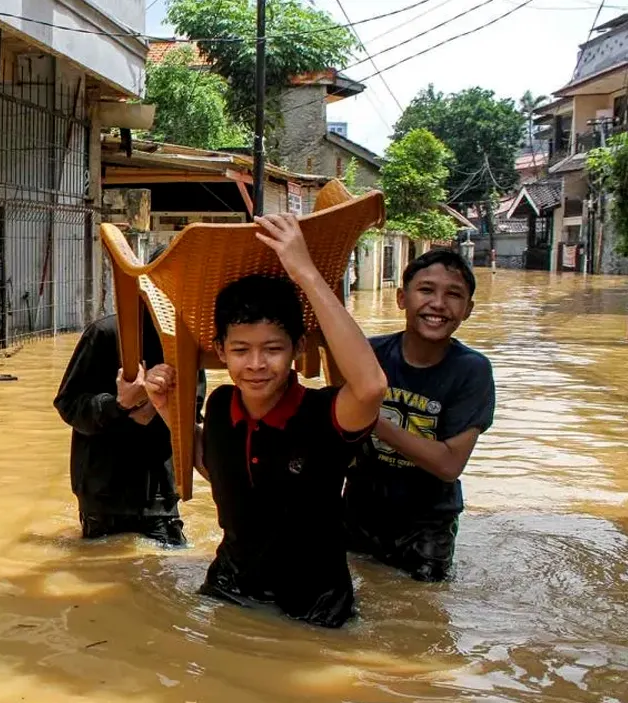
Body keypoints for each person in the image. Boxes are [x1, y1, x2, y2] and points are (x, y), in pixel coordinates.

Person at [143, 213, 387, 628]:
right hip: (229, 589)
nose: (256, 364)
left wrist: (305, 271)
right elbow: (217, 467)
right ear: (220, 350)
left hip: (314, 605)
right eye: (240, 350)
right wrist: (167, 408)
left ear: (297, 347)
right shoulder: (220, 406)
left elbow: (370, 387)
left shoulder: (325, 414)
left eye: (272, 348)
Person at [344, 249, 495, 582]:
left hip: (428, 525)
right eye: (426, 290)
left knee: (424, 617)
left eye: (453, 295)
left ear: (468, 310)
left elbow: (448, 464)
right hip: (359, 511)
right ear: (401, 298)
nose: (438, 303)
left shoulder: (472, 371)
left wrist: (372, 421)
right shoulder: (368, 354)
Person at [53, 252, 204, 548]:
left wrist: (153, 405)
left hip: (159, 492)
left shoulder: (187, 340)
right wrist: (120, 403)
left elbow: (193, 410)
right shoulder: (105, 333)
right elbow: (69, 404)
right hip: (103, 492)